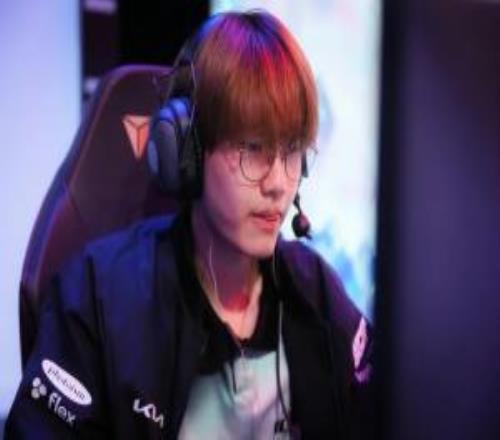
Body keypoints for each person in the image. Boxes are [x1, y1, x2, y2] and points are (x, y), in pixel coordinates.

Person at [5, 10, 373, 439]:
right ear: (188, 151)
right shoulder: (95, 296)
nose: (278, 183)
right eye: (253, 149)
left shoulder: (317, 294)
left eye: (292, 151)